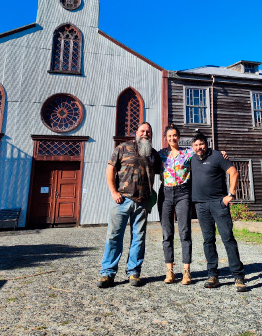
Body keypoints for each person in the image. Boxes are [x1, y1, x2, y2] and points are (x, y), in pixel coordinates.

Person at [98, 121, 162, 288]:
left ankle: (134, 272)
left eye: (148, 131)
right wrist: (114, 192)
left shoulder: (153, 154)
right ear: (136, 133)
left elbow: (169, 166)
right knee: (114, 237)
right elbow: (110, 169)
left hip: (142, 203)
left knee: (139, 239)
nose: (145, 134)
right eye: (142, 131)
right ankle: (108, 273)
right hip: (121, 200)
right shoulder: (123, 148)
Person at [185, 131, 247, 292]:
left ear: (207, 144)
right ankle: (213, 275)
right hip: (200, 205)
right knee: (208, 240)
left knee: (227, 238)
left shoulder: (217, 156)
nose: (199, 147)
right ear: (193, 147)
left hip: (218, 203)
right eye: (196, 145)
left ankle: (238, 276)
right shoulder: (191, 159)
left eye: (201, 144)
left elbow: (234, 172)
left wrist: (230, 195)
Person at [157, 125, 194, 285]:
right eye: (169, 136)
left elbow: (204, 153)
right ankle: (170, 271)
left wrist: (221, 153)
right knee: (167, 233)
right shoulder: (161, 154)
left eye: (175, 135)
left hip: (183, 193)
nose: (172, 138)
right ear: (166, 138)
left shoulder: (187, 153)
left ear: (178, 137)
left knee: (184, 232)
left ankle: (186, 272)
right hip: (165, 194)